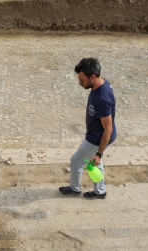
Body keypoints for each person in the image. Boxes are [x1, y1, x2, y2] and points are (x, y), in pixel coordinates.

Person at [59, 58, 117, 199]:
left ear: (92, 77)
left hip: (97, 138)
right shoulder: (102, 82)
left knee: (76, 161)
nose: (80, 83)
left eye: (82, 79)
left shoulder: (102, 99)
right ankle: (100, 191)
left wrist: (99, 153)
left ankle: (75, 188)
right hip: (97, 135)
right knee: (95, 163)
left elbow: (107, 129)